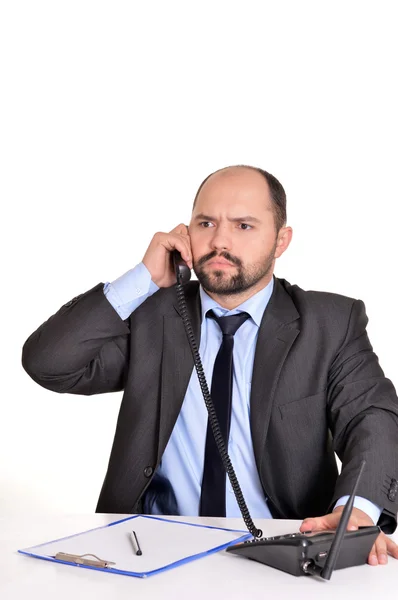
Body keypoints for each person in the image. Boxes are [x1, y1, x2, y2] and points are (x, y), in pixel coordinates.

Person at [22, 165, 398, 566]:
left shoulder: (329, 322)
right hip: (151, 547)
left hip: (282, 549)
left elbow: (371, 417)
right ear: (186, 234)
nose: (220, 241)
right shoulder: (153, 315)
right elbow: (49, 363)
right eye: (206, 223)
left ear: (281, 241)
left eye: (244, 226)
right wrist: (144, 277)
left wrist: (356, 509)